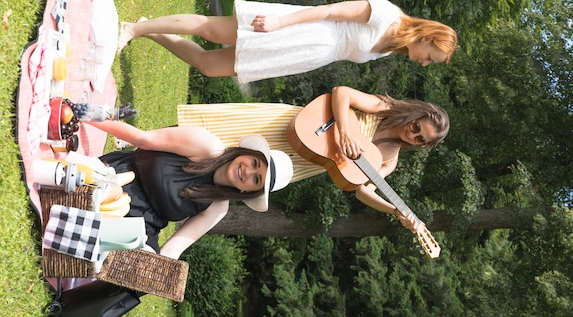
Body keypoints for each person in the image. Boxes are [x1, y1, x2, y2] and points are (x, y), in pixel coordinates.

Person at [63, 121, 293, 317]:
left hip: (142, 226)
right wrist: (87, 117)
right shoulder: (208, 146)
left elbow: (174, 248)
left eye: (256, 180)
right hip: (119, 180)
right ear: (247, 153)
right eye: (254, 163)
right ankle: (79, 307)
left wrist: (150, 267)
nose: (247, 172)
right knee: (98, 235)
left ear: (249, 191)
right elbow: (143, 139)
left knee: (126, 285)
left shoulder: (217, 207)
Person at [177, 86, 449, 232]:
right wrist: (344, 132)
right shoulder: (384, 109)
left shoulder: (389, 160)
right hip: (307, 127)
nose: (413, 135)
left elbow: (363, 191)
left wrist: (395, 211)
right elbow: (342, 92)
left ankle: (177, 177)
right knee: (230, 132)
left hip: (306, 160)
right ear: (416, 114)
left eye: (420, 140)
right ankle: (163, 137)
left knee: (240, 174)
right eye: (417, 127)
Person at [117, 0, 458, 84]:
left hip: (302, 54)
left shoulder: (391, 50)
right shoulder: (384, 14)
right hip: (301, 29)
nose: (425, 63)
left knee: (209, 66)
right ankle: (133, 29)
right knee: (212, 29)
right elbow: (328, 10)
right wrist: (281, 21)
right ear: (428, 37)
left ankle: (150, 28)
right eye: (431, 57)